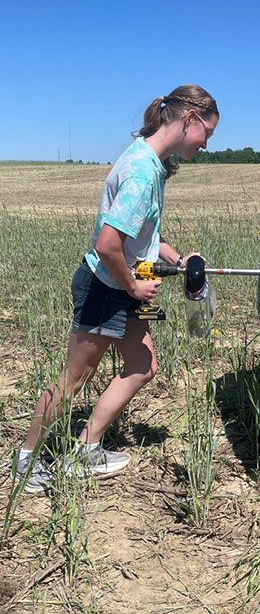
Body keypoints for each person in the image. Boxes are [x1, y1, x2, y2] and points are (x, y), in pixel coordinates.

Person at [14, 84, 219, 493]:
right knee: (75, 378)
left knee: (143, 366)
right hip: (106, 287)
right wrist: (134, 285)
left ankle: (84, 450)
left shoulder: (151, 161)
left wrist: (180, 260)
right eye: (207, 134)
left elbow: (142, 238)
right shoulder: (143, 172)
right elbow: (107, 244)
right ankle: (26, 461)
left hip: (121, 286)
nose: (207, 145)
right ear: (189, 119)